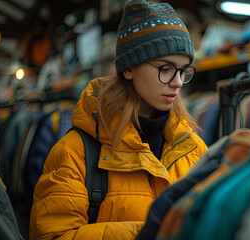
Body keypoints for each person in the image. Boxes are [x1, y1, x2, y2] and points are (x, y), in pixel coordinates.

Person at [29, 0, 208, 239]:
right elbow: (52, 235)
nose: (177, 82)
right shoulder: (74, 153)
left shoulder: (193, 148)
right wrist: (148, 232)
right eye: (165, 68)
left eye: (183, 70)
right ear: (129, 68)